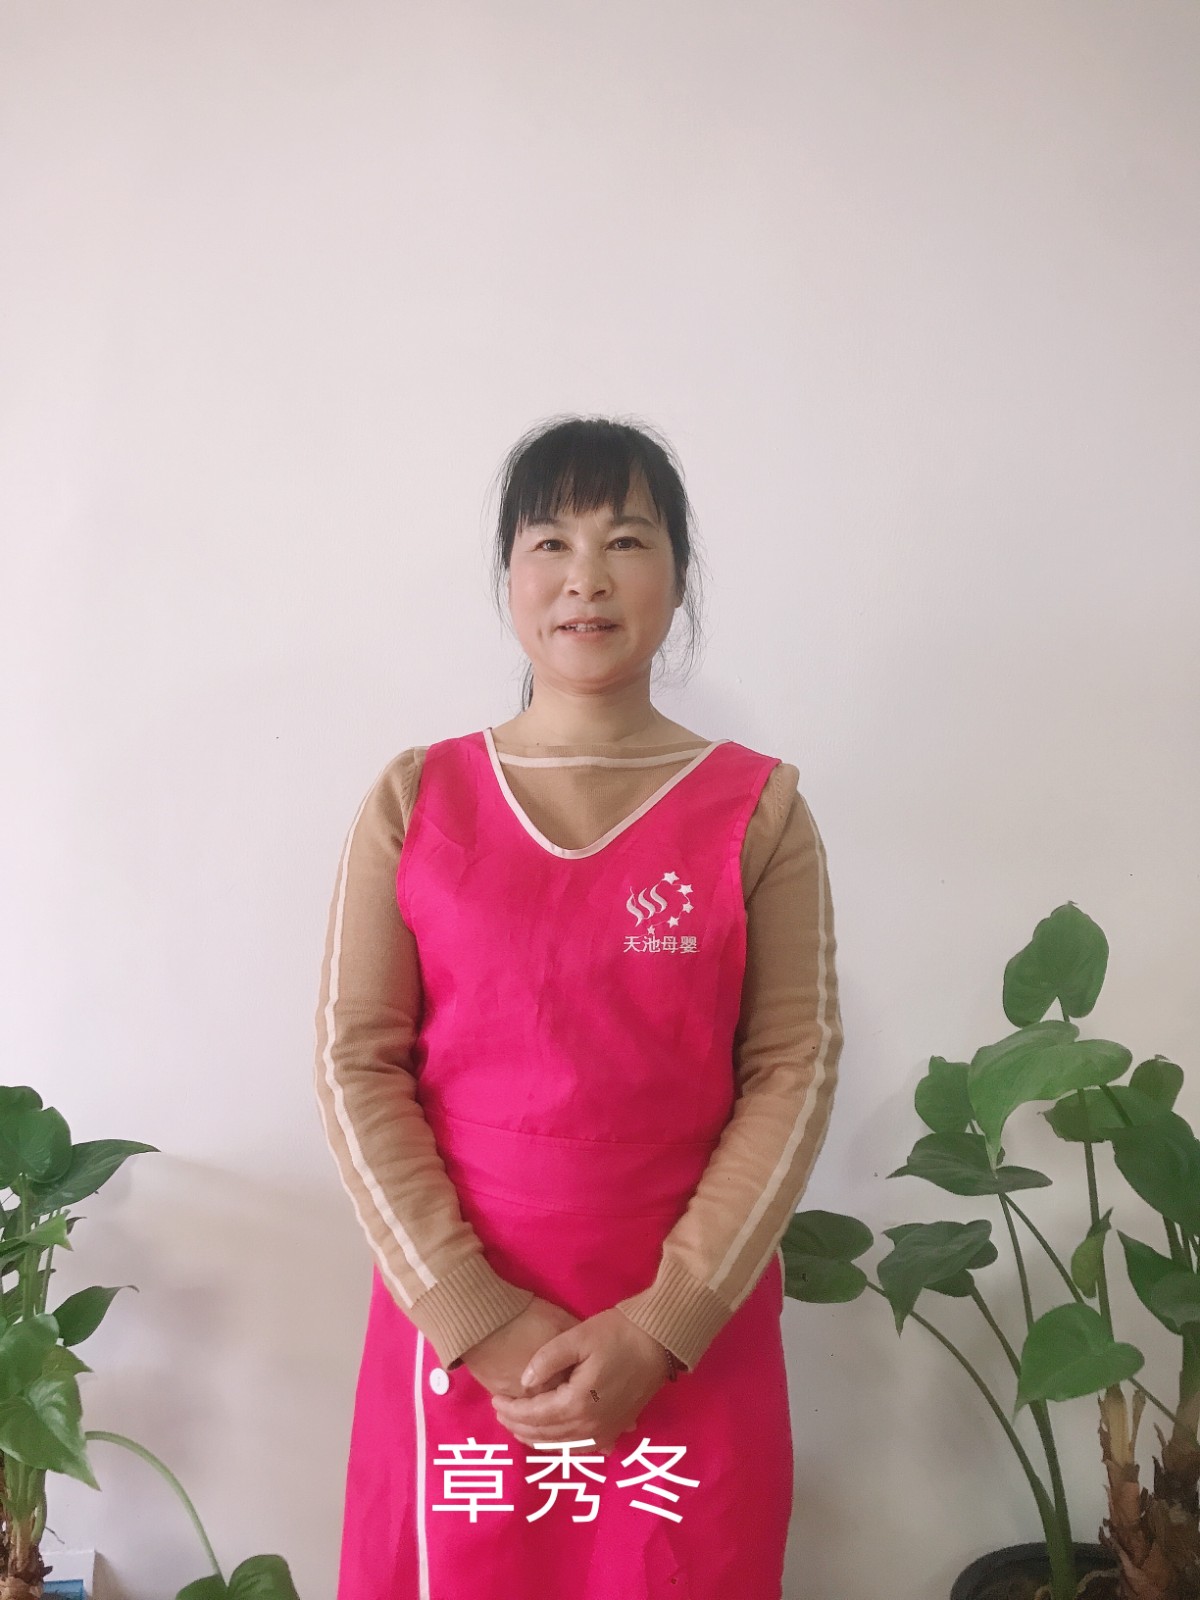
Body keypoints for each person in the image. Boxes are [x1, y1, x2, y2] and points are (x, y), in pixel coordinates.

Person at [314, 414, 845, 1599]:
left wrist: (662, 1326)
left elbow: (792, 1068)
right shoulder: (415, 797)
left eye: (627, 540)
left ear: (680, 576)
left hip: (682, 1333)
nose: (585, 576)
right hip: (462, 1335)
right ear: (509, 576)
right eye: (550, 541)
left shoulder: (759, 813)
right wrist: (475, 1313)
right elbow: (357, 1064)